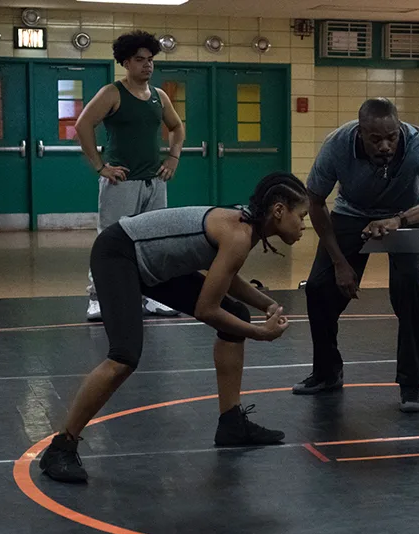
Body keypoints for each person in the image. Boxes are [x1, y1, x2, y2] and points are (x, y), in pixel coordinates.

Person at [38, 174, 309, 483]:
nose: (303, 225)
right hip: (118, 253)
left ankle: (231, 423)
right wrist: (260, 333)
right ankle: (61, 447)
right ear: (278, 211)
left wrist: (266, 304)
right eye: (301, 216)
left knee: (236, 314)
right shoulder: (240, 234)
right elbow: (207, 310)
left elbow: (225, 275)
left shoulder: (246, 225)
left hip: (148, 261)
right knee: (124, 356)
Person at [292, 98, 419, 412]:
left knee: (409, 291)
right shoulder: (337, 146)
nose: (385, 146)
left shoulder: (418, 144)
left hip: (406, 213)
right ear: (360, 133)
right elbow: (314, 201)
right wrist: (340, 263)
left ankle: (410, 385)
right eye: (375, 139)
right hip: (352, 213)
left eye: (392, 137)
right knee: (319, 289)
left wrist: (400, 219)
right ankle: (327, 372)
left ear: (400, 130)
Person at [76, 30, 185, 322]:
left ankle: (154, 296)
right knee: (110, 242)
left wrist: (173, 157)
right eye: (139, 60)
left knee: (155, 242)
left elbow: (177, 127)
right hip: (121, 182)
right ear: (126, 63)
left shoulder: (159, 96)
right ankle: (98, 298)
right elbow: (83, 125)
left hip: (154, 182)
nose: (147, 65)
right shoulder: (112, 93)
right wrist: (100, 166)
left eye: (150, 60)